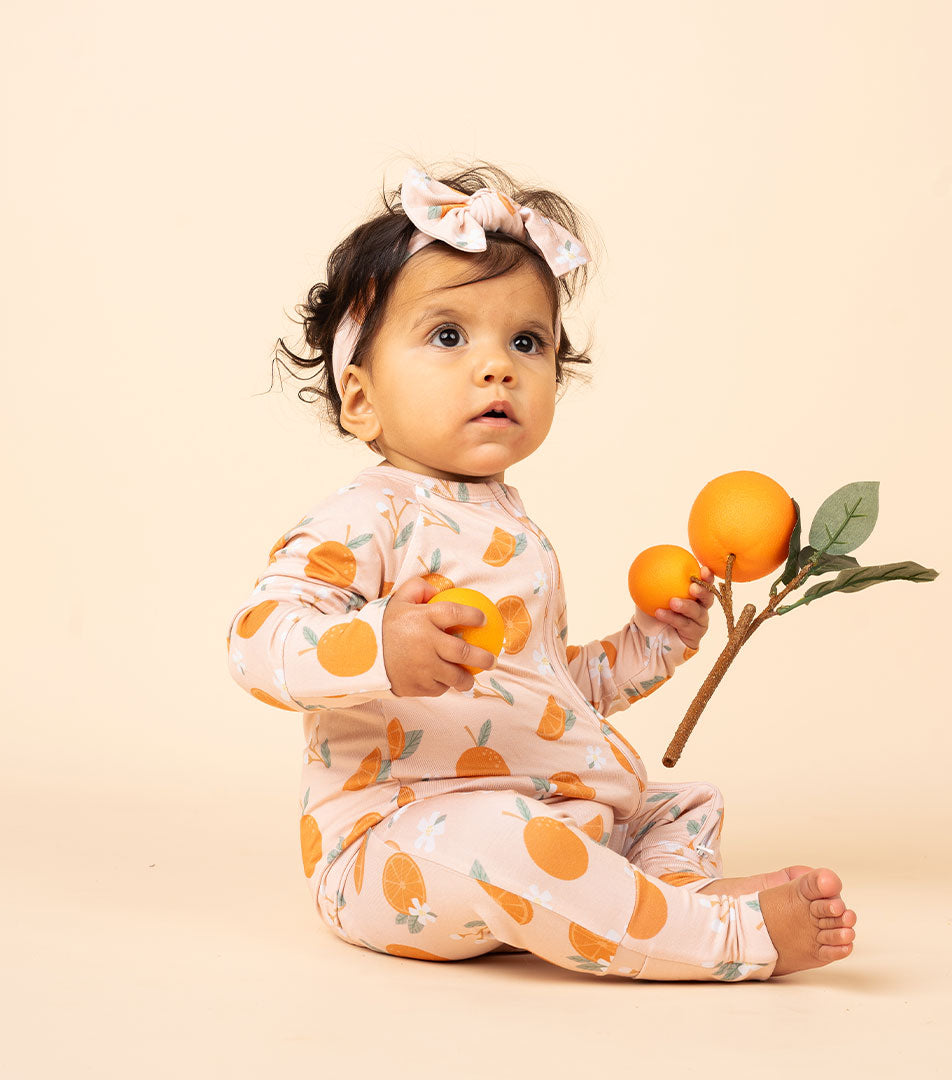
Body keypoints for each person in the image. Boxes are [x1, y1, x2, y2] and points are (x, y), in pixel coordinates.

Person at [225, 161, 857, 980]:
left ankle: (664, 901)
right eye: (448, 335)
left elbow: (547, 697)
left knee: (678, 803)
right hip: (405, 849)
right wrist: (382, 642)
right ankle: (723, 940)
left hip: (546, 813)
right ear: (360, 399)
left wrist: (650, 642)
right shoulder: (369, 515)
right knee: (505, 844)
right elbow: (255, 641)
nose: (498, 366)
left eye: (527, 341)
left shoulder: (510, 523)